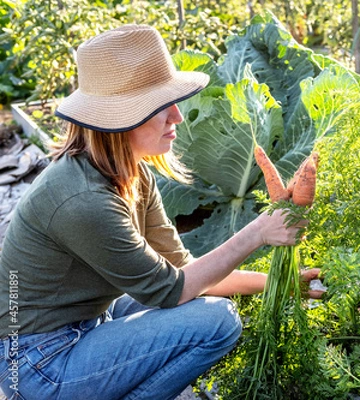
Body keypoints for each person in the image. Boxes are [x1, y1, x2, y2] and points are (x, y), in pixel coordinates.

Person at [0, 24, 320, 400]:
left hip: (82, 323)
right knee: (217, 321)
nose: (177, 117)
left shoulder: (131, 173)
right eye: (159, 106)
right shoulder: (83, 200)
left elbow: (186, 271)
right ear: (118, 120)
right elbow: (172, 291)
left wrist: (284, 283)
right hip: (39, 364)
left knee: (196, 301)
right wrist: (258, 232)